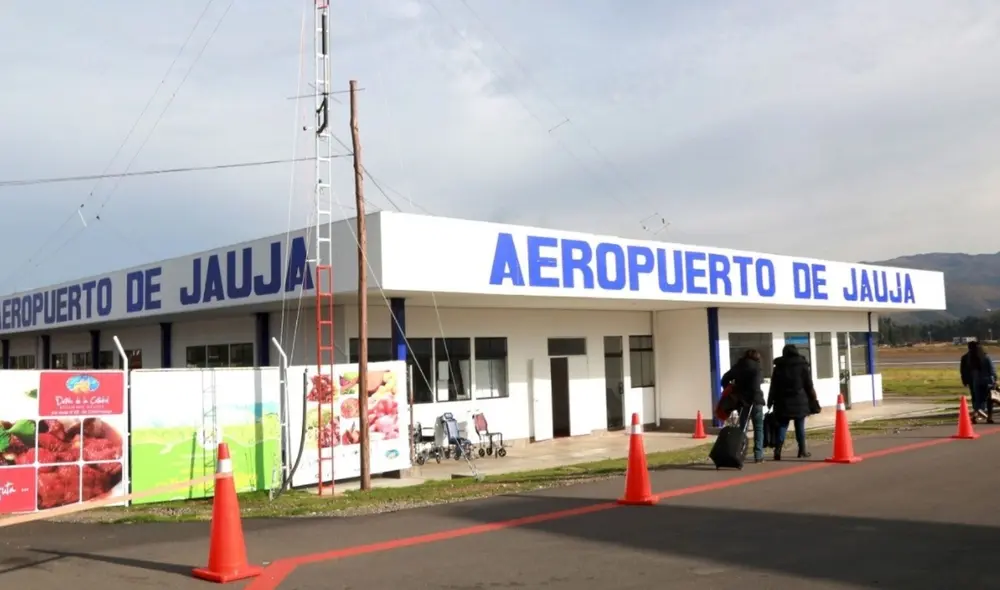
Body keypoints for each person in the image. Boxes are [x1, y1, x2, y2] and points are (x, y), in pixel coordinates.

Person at [767, 344, 819, 461]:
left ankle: (778, 451)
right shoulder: (802, 366)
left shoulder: (779, 367)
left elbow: (773, 386)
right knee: (799, 426)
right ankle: (802, 450)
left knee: (782, 426)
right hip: (799, 400)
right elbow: (809, 385)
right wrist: (814, 399)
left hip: (782, 401)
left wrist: (770, 400)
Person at [721, 349, 765, 463]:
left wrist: (733, 388)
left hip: (742, 401)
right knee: (758, 428)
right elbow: (756, 384)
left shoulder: (738, 367)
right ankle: (758, 455)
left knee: (743, 428)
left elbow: (724, 379)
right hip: (755, 401)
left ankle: (739, 452)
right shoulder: (757, 367)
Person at [961, 341, 997, 424]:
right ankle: (989, 417)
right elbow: (992, 370)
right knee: (989, 400)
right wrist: (995, 379)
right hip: (987, 381)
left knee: (977, 399)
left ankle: (976, 414)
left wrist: (965, 380)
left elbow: (963, 371)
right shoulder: (985, 357)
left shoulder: (967, 358)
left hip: (975, 381)